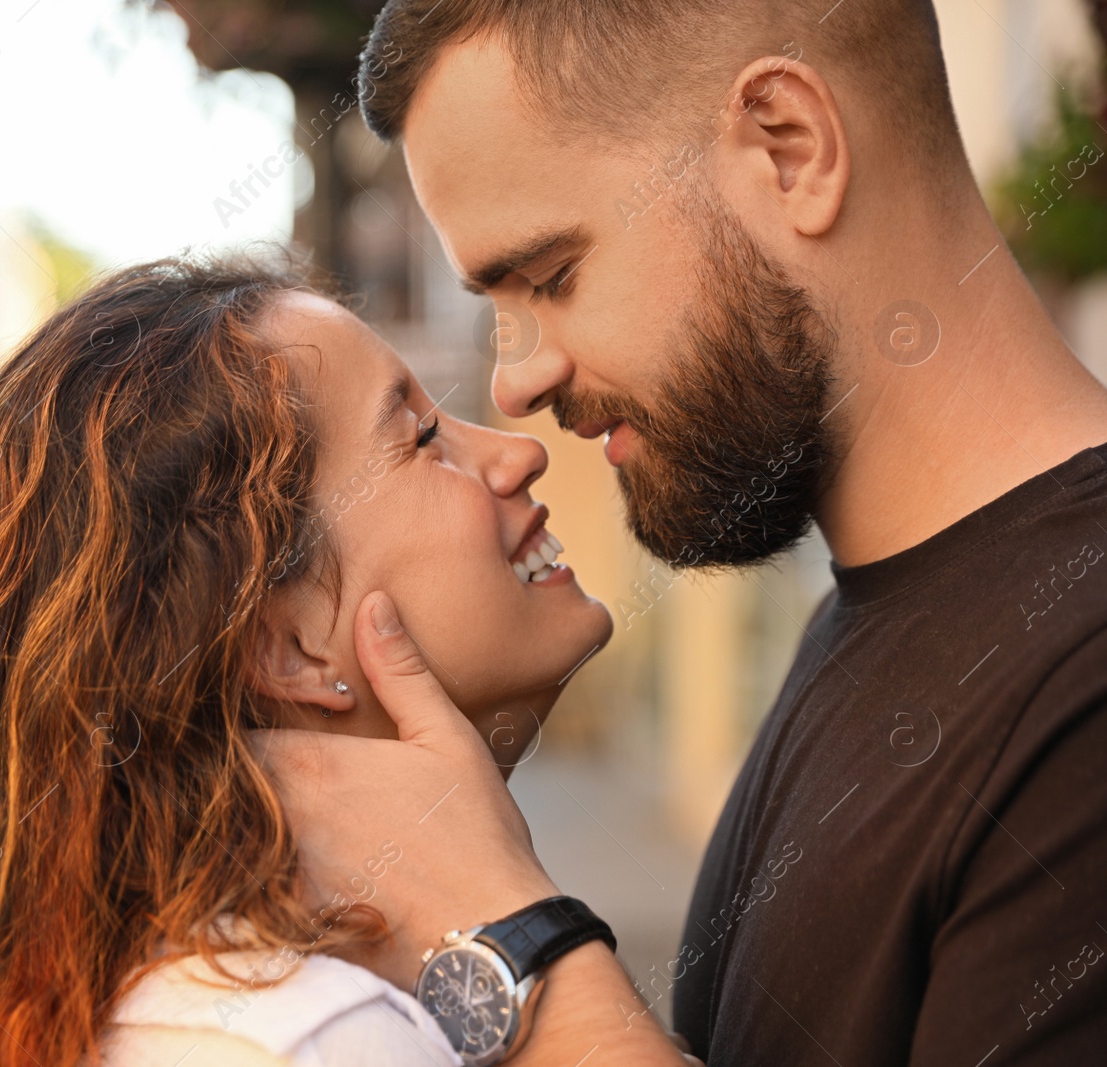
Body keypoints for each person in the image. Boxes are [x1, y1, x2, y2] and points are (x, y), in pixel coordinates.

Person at [253, 0, 1107, 1064]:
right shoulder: (870, 625)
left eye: (553, 275)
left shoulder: (1078, 694)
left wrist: (511, 936)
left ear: (788, 149)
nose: (517, 381)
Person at [0, 255, 676, 1066]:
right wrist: (512, 924)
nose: (517, 452)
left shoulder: (182, 996)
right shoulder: (308, 1035)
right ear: (286, 643)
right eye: (422, 437)